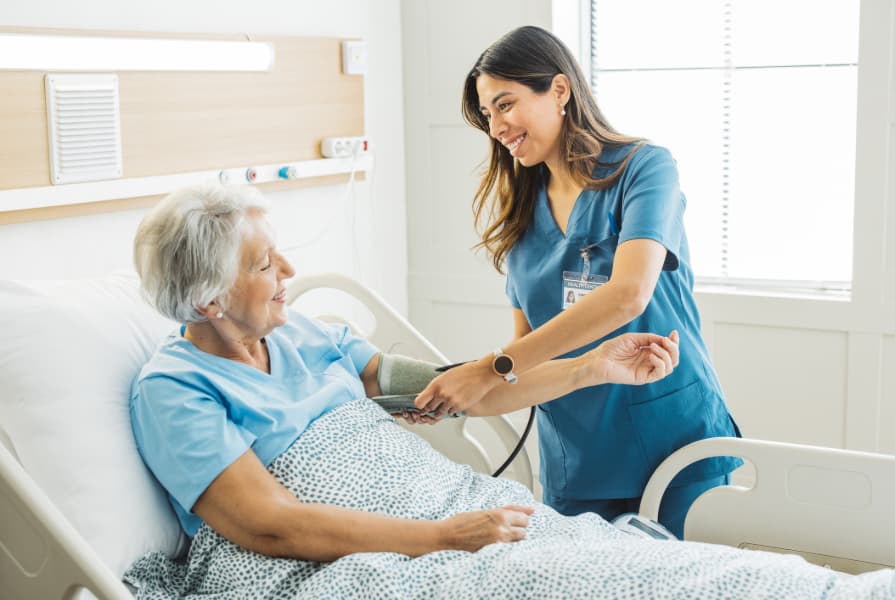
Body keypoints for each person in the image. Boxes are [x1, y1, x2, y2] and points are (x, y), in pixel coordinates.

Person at [128, 183, 679, 566]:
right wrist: (442, 538)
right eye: (265, 264)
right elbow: (269, 524)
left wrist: (593, 366)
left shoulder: (308, 336)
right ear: (208, 301)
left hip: (434, 513)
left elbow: (466, 390)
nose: (290, 272)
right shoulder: (176, 391)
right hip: (351, 558)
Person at [413, 25, 742, 539]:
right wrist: (452, 399)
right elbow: (524, 368)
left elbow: (628, 294)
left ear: (560, 90)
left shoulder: (644, 169)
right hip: (578, 464)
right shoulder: (520, 220)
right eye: (486, 113)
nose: (495, 125)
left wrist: (490, 368)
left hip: (672, 443)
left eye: (505, 104)